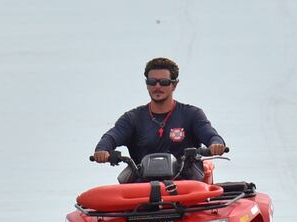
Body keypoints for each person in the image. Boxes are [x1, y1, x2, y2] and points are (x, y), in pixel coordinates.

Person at [92, 57, 227, 181]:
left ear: (174, 85)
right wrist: (102, 150)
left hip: (186, 185)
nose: (157, 87)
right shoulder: (132, 118)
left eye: (163, 82)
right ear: (147, 84)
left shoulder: (192, 114)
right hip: (143, 186)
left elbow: (211, 136)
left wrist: (215, 144)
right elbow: (112, 136)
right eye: (152, 82)